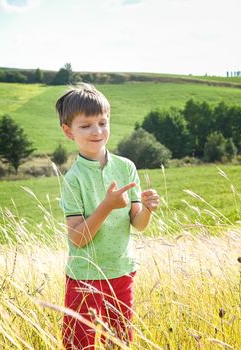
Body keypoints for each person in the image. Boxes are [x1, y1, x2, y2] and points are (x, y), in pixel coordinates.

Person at [56, 83, 160, 349]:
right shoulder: (73, 179)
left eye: (102, 122)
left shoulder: (126, 167)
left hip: (122, 271)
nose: (97, 131)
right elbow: (78, 239)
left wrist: (147, 208)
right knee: (80, 344)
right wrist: (106, 206)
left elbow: (138, 224)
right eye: (86, 125)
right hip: (84, 277)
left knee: (121, 342)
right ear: (68, 131)